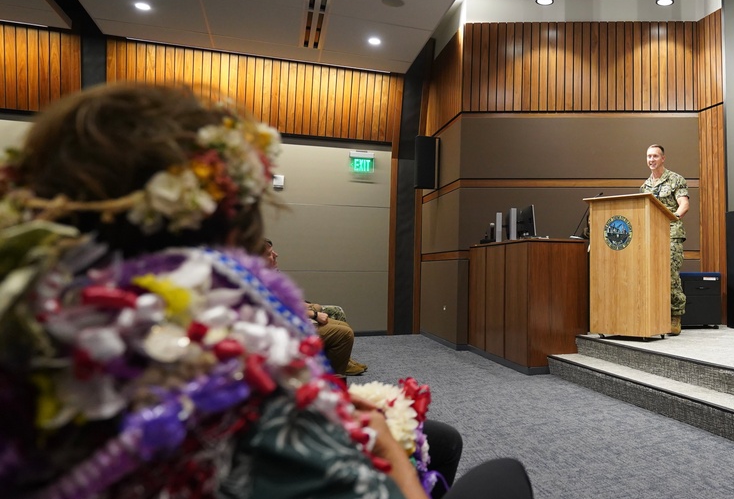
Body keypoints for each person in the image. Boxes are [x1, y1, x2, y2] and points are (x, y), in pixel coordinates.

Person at [0, 82, 532, 499]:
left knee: (439, 438)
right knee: (505, 475)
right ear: (228, 210)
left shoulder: (36, 313)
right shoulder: (229, 352)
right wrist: (390, 450)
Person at [264, 238, 367, 376]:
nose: (276, 255)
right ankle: (332, 378)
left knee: (341, 324)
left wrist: (309, 307)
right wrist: (314, 314)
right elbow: (278, 307)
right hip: (282, 329)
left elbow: (287, 299)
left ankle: (342, 361)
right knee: (345, 334)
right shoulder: (260, 279)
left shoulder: (270, 274)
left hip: (287, 321)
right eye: (270, 253)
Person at [639, 144, 690, 335]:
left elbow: (684, 204)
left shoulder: (675, 179)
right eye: (648, 156)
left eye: (654, 156)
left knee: (669, 272)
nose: (651, 159)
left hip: (671, 231)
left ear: (663, 158)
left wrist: (675, 215)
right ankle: (655, 315)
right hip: (650, 233)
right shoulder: (644, 186)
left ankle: (675, 315)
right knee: (649, 273)